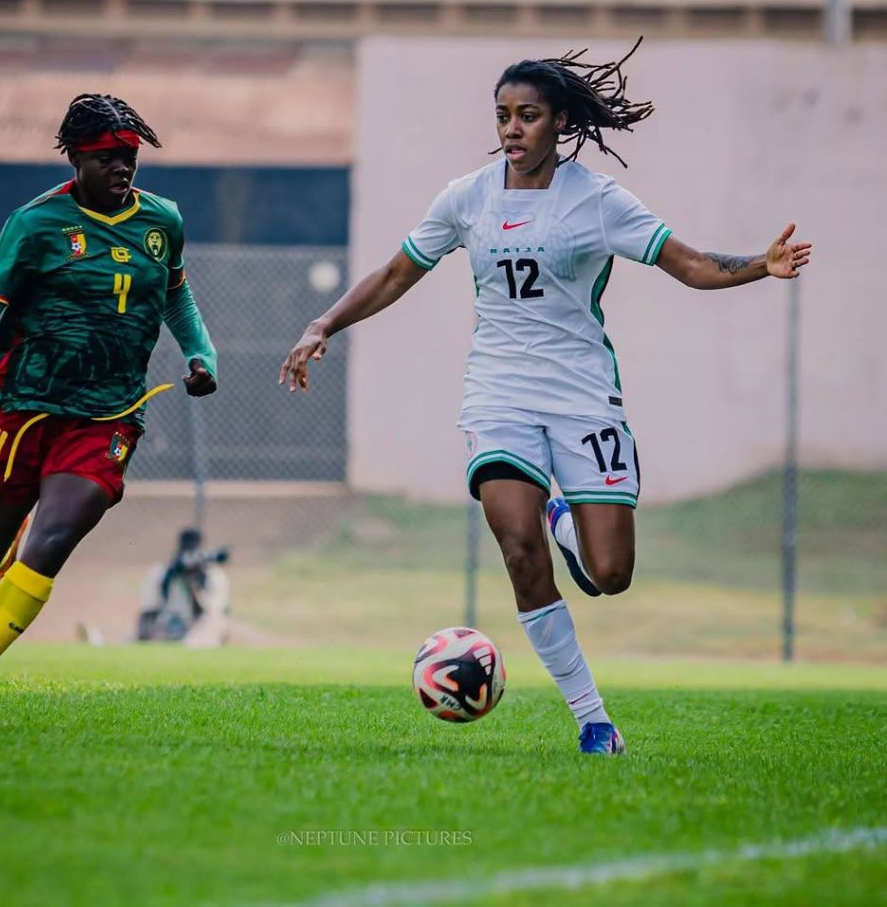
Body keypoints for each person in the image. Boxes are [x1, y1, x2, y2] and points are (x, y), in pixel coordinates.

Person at [279, 40, 811, 754]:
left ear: (561, 122)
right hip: (498, 393)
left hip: (584, 398)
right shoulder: (467, 197)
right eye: (502, 115)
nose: (512, 129)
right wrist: (324, 323)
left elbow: (687, 264)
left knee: (610, 575)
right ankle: (593, 721)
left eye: (528, 115)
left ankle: (565, 516)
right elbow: (397, 272)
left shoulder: (596, 201)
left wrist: (759, 266)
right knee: (519, 550)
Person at [0, 94, 218, 727]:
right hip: (24, 410)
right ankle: (9, 550)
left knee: (53, 539)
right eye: (107, 157)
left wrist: (200, 352)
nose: (122, 167)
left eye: (129, 156)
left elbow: (177, 299)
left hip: (109, 415)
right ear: (76, 157)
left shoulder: (163, 223)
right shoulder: (35, 224)